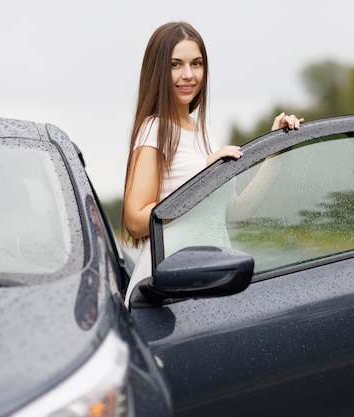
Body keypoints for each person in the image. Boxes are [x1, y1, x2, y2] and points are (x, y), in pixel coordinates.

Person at [122, 21, 303, 306]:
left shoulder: (204, 132)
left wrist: (274, 150)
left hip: (208, 285)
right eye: (175, 65)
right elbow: (135, 220)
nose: (188, 75)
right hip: (167, 293)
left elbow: (235, 213)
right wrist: (202, 176)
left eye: (196, 63)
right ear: (159, 70)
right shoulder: (154, 129)